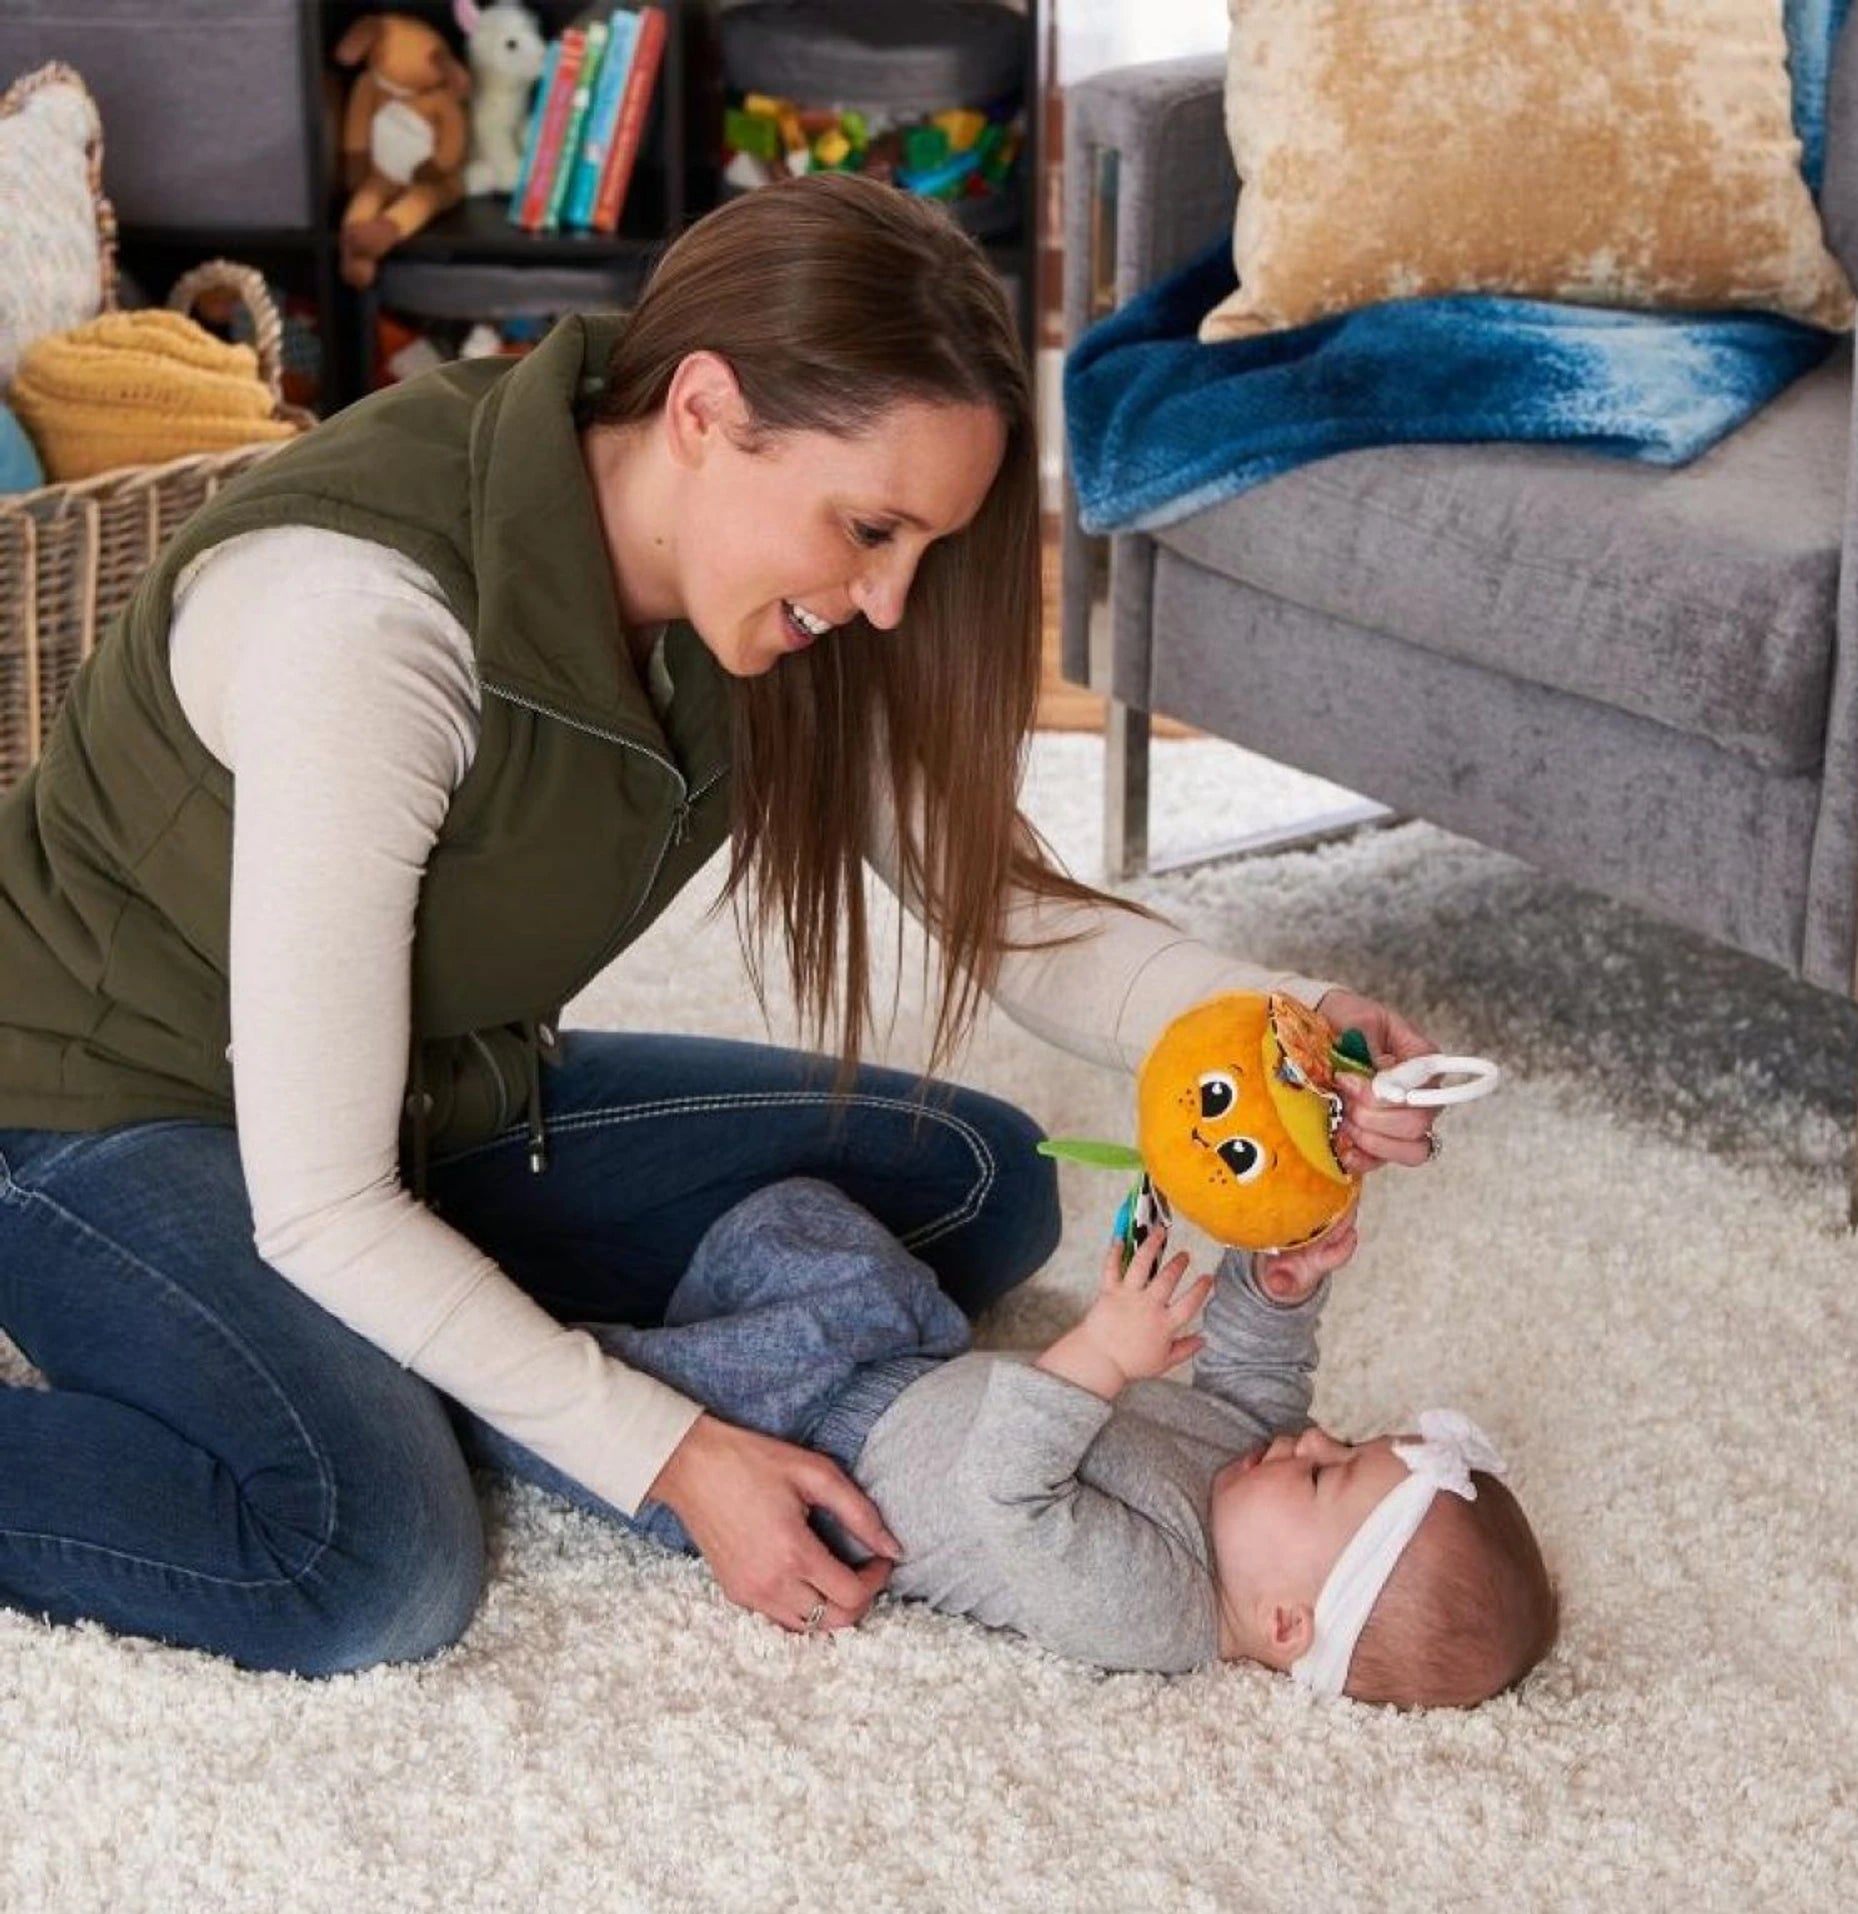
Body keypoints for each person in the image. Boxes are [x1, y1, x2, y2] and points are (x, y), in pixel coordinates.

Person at [0, 175, 1441, 1678]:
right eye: (871, 530)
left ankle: (434, 1345)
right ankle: (381, 1360)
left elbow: (1000, 909)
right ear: (703, 410)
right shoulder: (363, 627)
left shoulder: (752, 587)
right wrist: (674, 1451)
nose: (890, 603)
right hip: (104, 1110)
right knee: (373, 1566)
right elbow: (322, 1204)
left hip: (432, 1095)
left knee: (982, 1185)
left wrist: (1284, 1024)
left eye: (922, 549)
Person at [473, 1176, 1558, 1705]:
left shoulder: (1159, 1609)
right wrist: (1277, 1287)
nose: (1309, 1437)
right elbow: (1258, 1377)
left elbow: (1011, 1490)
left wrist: (1103, 1351)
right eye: (1342, 1441)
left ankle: (461, 1338)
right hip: (905, 1355)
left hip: (800, 1452)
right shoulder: (1253, 1471)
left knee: (565, 1388)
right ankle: (599, 1261)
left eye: (1325, 1474)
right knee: (808, 1221)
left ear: (1284, 1621)